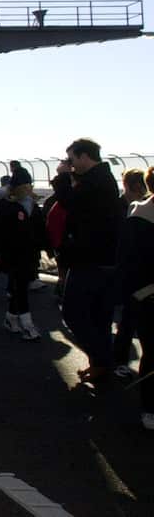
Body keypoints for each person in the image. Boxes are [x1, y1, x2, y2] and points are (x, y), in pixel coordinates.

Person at [50, 137, 125, 382]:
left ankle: (103, 358)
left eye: (72, 159)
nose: (70, 164)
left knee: (73, 313)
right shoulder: (102, 179)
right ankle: (100, 366)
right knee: (99, 317)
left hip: (89, 260)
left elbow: (69, 203)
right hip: (103, 258)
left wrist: (61, 177)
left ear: (84, 156)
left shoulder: (96, 182)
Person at [0, 167, 48, 341]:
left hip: (29, 255)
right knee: (20, 287)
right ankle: (27, 324)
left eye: (29, 185)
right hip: (12, 254)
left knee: (19, 287)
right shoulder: (4, 207)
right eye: (24, 185)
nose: (28, 189)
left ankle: (11, 318)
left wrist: (46, 249)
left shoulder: (33, 206)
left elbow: (40, 230)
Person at [118, 183, 154, 430]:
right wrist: (140, 293)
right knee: (152, 352)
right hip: (149, 296)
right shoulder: (139, 217)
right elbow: (129, 263)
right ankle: (150, 407)